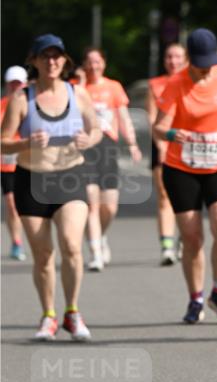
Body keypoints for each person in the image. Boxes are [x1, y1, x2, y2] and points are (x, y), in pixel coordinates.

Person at [0, 34, 102, 340]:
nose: (52, 61)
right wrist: (25, 142)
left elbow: (96, 128)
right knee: (43, 255)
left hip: (70, 177)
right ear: (34, 61)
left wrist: (90, 139)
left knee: (72, 245)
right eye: (45, 56)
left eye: (57, 56)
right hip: (32, 180)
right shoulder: (22, 98)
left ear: (65, 61)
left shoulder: (77, 93)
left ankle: (72, 311)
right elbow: (3, 142)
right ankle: (48, 315)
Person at [152, 28, 217, 325]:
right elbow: (158, 127)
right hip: (182, 168)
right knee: (192, 238)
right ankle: (195, 298)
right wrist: (174, 134)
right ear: (189, 60)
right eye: (200, 65)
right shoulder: (176, 84)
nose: (205, 71)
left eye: (210, 63)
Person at [80, 47, 142, 271]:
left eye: (97, 62)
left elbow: (123, 117)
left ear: (104, 64)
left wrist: (133, 143)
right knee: (91, 203)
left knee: (110, 207)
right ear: (84, 64)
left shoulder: (113, 87)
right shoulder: (78, 88)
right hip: (86, 148)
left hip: (108, 147)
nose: (93, 66)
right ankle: (95, 252)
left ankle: (102, 236)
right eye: (89, 62)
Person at [146, 42, 187, 265]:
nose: (173, 61)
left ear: (186, 60)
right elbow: (153, 120)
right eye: (169, 57)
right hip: (162, 144)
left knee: (187, 197)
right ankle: (167, 247)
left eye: (178, 57)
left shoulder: (192, 83)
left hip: (188, 145)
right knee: (164, 196)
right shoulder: (155, 84)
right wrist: (161, 146)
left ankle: (184, 238)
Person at [1, 66, 28, 260]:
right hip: (6, 163)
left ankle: (36, 238)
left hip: (27, 160)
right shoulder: (1, 106)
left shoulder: (31, 105)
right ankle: (17, 241)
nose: (15, 87)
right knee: (11, 203)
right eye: (12, 83)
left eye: (18, 83)